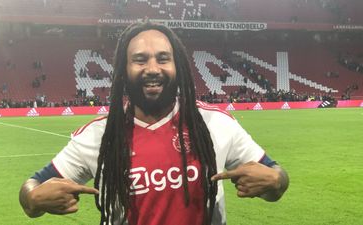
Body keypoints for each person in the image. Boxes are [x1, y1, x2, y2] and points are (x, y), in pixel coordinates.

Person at [19, 21, 289, 225]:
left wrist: (276, 181)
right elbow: (31, 187)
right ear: (123, 71)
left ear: (178, 66)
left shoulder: (215, 123)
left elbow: (274, 177)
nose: (152, 68)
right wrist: (33, 198)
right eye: (139, 60)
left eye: (163, 58)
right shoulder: (99, 136)